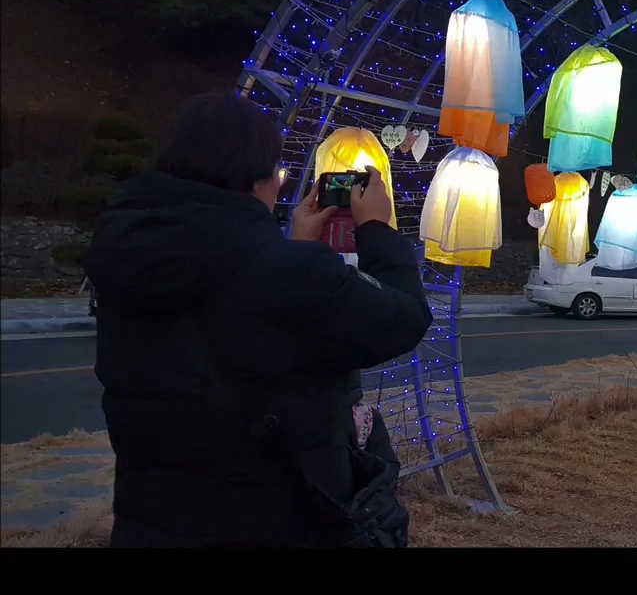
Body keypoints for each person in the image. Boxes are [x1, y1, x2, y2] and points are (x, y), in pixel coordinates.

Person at [84, 91, 434, 548]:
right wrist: (377, 231)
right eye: (278, 171)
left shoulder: (126, 253)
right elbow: (403, 317)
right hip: (275, 520)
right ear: (255, 178)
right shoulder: (287, 274)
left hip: (151, 520)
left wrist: (295, 247)